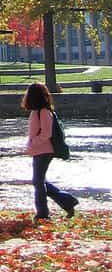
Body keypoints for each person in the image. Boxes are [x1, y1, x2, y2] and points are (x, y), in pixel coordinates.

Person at [21, 82, 78, 222]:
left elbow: (46, 134)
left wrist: (32, 143)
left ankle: (42, 213)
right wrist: (31, 145)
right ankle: (67, 202)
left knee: (38, 182)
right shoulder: (36, 111)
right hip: (38, 150)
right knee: (39, 181)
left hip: (44, 151)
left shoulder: (44, 112)